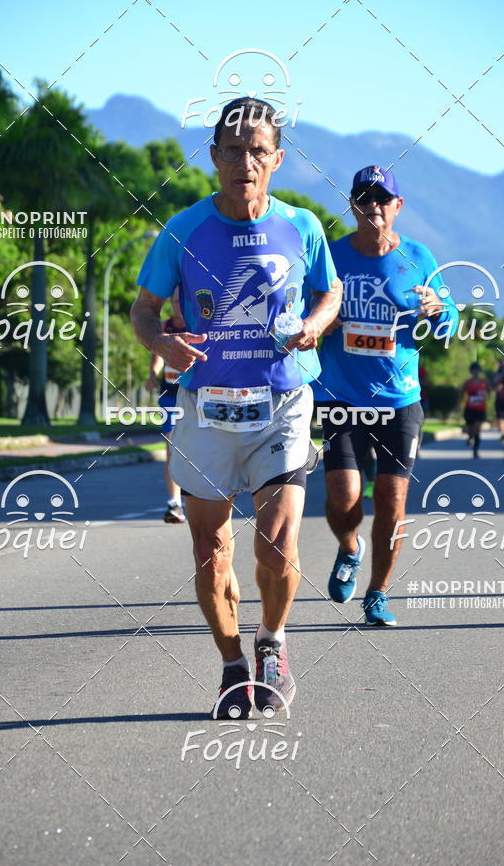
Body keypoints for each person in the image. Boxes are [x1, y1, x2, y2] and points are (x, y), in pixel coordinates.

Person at [131, 97, 341, 718]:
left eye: (257, 151)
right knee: (209, 549)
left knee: (277, 542)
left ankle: (272, 644)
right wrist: (160, 340)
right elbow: (144, 309)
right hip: (205, 408)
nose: (244, 162)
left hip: (282, 402)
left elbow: (329, 293)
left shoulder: (303, 227)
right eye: (231, 150)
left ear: (276, 159)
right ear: (214, 157)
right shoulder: (182, 230)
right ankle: (230, 666)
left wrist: (315, 324)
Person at [313, 165, 458, 626]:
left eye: (382, 199)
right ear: (353, 205)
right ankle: (349, 548)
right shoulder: (331, 257)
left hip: (399, 399)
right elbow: (304, 309)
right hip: (340, 395)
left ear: (398, 206)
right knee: (343, 496)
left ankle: (377, 594)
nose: (372, 207)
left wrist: (440, 310)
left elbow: (447, 314)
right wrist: (322, 322)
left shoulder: (418, 257)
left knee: (393, 501)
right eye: (363, 199)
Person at [145, 289, 187, 523]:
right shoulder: (166, 326)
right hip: (171, 395)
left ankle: (201, 497)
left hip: (195, 394)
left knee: (198, 446)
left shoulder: (196, 325)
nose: (178, 305)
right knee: (172, 447)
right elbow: (159, 354)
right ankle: (174, 504)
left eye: (182, 301)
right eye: (175, 301)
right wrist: (153, 373)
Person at [460, 362, 488, 458]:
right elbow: (461, 393)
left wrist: (486, 397)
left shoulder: (484, 382)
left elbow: (490, 390)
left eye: (477, 370)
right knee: (471, 428)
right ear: (471, 371)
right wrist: (458, 405)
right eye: (473, 370)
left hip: (481, 409)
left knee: (477, 428)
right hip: (470, 408)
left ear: (479, 371)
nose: (475, 372)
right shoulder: (467, 383)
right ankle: (470, 437)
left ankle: (475, 450)